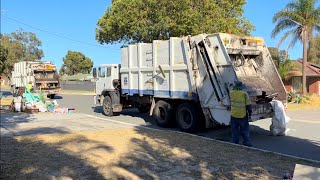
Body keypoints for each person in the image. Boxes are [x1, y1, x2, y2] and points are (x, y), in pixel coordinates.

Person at [230, 81, 252, 147]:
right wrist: (250, 113)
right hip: (242, 115)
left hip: (234, 114)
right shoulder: (244, 94)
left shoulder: (231, 93)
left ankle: (235, 142)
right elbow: (248, 105)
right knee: (244, 129)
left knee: (234, 130)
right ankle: (246, 142)